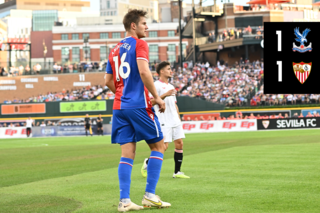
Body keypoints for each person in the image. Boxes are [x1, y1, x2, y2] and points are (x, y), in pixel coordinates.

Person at [104, 9, 170, 212]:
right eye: (144, 24)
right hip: (137, 105)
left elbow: (107, 81)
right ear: (133, 26)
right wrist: (157, 97)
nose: (147, 27)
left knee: (127, 154)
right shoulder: (139, 43)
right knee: (159, 147)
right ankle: (149, 195)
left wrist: (123, 96)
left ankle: (124, 201)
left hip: (119, 107)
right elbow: (143, 71)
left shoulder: (114, 48)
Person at [141, 61, 190, 179]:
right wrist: (164, 95)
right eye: (168, 69)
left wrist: (178, 118)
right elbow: (150, 103)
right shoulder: (155, 85)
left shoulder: (171, 86)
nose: (171, 71)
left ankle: (177, 172)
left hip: (174, 119)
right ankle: (147, 163)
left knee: (180, 143)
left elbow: (174, 104)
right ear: (161, 71)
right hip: (163, 119)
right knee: (164, 146)